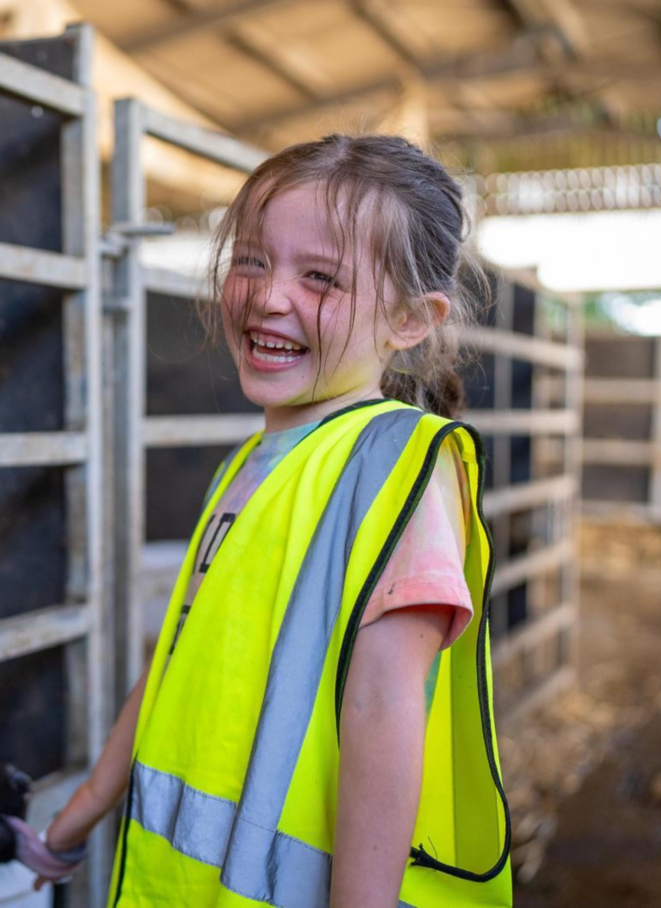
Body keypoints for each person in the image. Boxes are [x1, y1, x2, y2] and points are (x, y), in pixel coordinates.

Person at [30, 134, 512, 906]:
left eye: (321, 276)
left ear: (412, 320)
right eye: (251, 259)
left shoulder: (399, 469)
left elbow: (383, 710)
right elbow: (178, 656)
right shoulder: (248, 464)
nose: (268, 295)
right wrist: (75, 820)